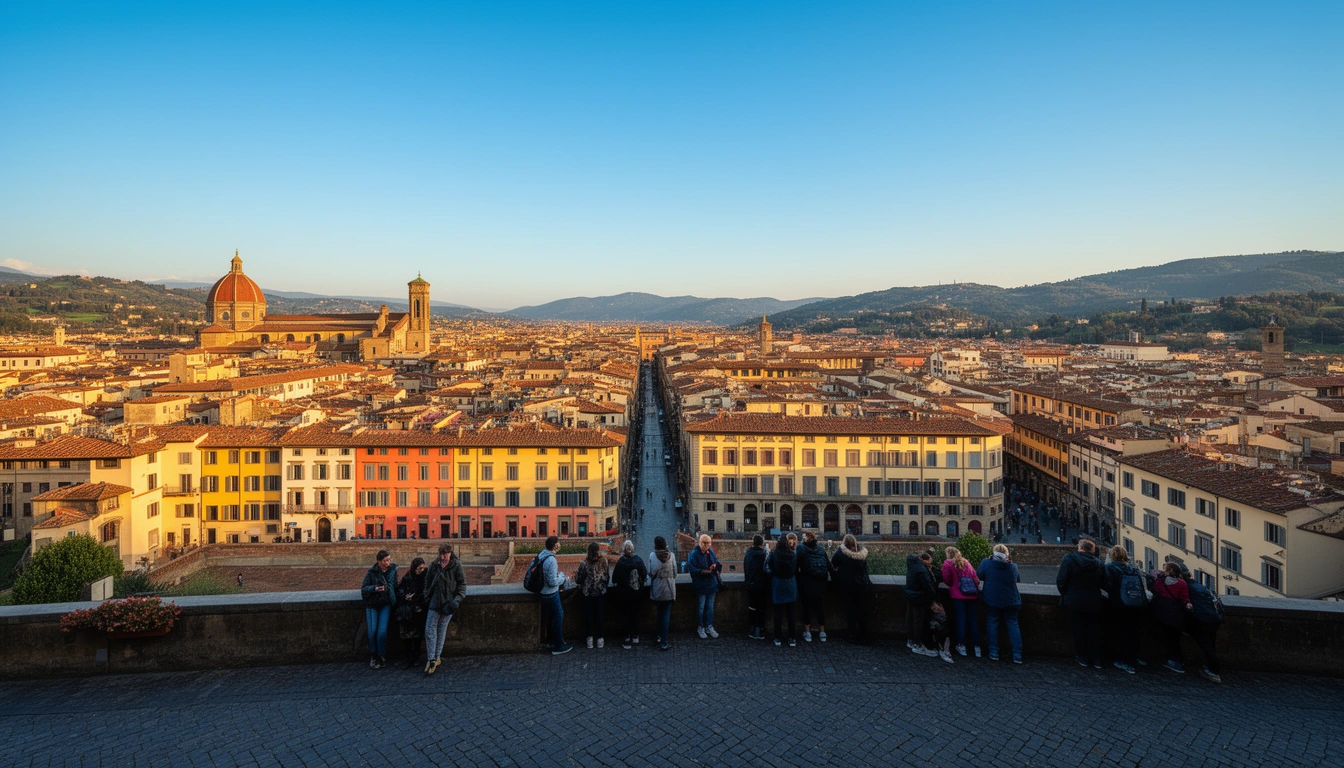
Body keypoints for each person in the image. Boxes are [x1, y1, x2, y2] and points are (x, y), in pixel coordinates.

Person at [1056, 539, 1106, 668]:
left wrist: (1066, 593)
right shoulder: (1098, 563)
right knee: (1094, 629)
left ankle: (1082, 657)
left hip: (1074, 599)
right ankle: (1097, 659)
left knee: (1077, 628)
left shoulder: (1069, 559)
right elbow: (1105, 583)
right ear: (1092, 550)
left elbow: (1061, 580)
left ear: (1079, 548)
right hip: (1093, 600)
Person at [422, 543, 467, 674]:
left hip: (449, 604)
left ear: (450, 553)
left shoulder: (456, 566)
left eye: (446, 555)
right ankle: (431, 659)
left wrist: (456, 601)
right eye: (441, 554)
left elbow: (462, 585)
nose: (443, 557)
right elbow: (427, 582)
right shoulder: (434, 566)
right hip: (434, 603)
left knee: (441, 630)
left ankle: (436, 658)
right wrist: (426, 596)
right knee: (429, 630)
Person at [1103, 546, 1147, 674]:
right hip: (1135, 605)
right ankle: (1135, 658)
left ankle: (1123, 661)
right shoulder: (1133, 568)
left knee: (1120, 633)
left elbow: (1107, 585)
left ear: (1112, 555)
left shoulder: (1110, 568)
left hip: (1118, 605)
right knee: (1134, 632)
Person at [977, 543, 1022, 663]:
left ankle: (993, 652)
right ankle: (1017, 655)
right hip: (1012, 599)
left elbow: (979, 576)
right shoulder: (1013, 566)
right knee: (1013, 625)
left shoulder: (986, 563)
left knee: (992, 623)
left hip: (992, 599)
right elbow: (1017, 579)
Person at [1150, 561, 1192, 674]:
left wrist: (1159, 577)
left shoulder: (1162, 582)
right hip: (1177, 615)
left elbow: (1155, 589)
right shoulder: (1182, 583)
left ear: (1170, 571)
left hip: (1164, 615)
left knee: (1168, 639)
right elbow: (1185, 599)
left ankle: (1172, 661)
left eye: (1166, 570)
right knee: (1175, 640)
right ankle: (1178, 661)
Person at [360, 550, 398, 669]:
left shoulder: (393, 571)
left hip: (385, 604)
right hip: (372, 605)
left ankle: (381, 655)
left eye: (389, 560)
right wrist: (375, 588)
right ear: (379, 562)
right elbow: (364, 589)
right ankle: (373, 655)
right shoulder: (371, 572)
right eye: (385, 561)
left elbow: (396, 587)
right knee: (372, 632)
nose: (388, 563)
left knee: (382, 632)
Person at [941, 546, 982, 658]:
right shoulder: (967, 563)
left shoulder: (948, 564)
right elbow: (976, 579)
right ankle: (977, 648)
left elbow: (947, 580)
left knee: (961, 620)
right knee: (973, 621)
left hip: (958, 596)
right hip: (972, 595)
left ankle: (961, 646)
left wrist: (954, 586)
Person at [831, 534, 870, 644]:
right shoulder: (862, 554)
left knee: (850, 611)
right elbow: (865, 570)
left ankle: (852, 635)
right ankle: (864, 636)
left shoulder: (841, 552)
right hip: (861, 587)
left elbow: (833, 562)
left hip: (847, 585)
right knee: (862, 612)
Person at [1184, 574, 1224, 683]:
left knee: (1207, 646)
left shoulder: (1187, 587)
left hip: (1203, 620)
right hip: (1214, 619)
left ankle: (1213, 672)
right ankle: (1212, 668)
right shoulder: (1199, 585)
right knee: (1211, 644)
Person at [538, 536, 572, 655]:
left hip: (543, 592)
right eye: (558, 543)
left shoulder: (542, 554)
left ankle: (551, 641)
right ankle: (558, 645)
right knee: (558, 616)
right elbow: (552, 581)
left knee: (551, 618)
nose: (560, 545)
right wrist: (562, 577)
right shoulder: (551, 560)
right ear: (555, 545)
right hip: (550, 593)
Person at [796, 531, 832, 642]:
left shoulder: (801, 548)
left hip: (807, 582)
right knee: (820, 607)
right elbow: (829, 565)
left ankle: (807, 632)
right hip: (821, 583)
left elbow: (796, 565)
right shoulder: (821, 549)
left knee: (806, 607)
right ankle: (822, 632)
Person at [611, 540, 648, 649]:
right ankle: (635, 636)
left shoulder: (620, 562)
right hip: (636, 592)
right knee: (636, 614)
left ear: (623, 550)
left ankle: (627, 637)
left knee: (625, 615)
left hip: (623, 593)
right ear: (633, 549)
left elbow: (614, 579)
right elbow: (644, 574)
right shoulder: (638, 561)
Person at [766, 533, 800, 647]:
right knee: (791, 614)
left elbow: (767, 568)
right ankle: (792, 638)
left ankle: (778, 638)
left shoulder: (774, 554)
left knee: (778, 613)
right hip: (790, 584)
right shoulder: (793, 554)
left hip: (778, 584)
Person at [575, 542, 611, 649]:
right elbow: (607, 577)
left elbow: (578, 579)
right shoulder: (604, 561)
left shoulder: (584, 563)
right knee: (600, 616)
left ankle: (589, 640)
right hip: (601, 593)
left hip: (588, 594)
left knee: (588, 616)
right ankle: (600, 639)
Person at [687, 534, 722, 638]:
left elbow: (716, 562)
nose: (707, 546)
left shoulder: (710, 551)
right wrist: (703, 571)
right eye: (705, 544)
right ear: (700, 543)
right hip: (701, 584)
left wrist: (714, 566)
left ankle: (709, 626)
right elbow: (692, 569)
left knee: (710, 607)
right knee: (701, 607)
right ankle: (701, 626)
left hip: (711, 583)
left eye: (708, 544)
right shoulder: (694, 554)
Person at [904, 551, 937, 657]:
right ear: (924, 560)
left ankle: (910, 640)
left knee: (910, 618)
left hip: (910, 594)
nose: (929, 564)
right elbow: (928, 585)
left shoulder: (912, 564)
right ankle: (918, 644)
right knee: (918, 620)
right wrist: (933, 598)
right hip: (919, 596)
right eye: (929, 562)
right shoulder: (922, 569)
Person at [397, 557, 428, 669]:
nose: (421, 570)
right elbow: (400, 590)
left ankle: (416, 657)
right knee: (406, 636)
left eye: (423, 568)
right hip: (407, 611)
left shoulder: (426, 576)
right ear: (414, 569)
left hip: (418, 610)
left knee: (417, 637)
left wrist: (415, 598)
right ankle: (409, 657)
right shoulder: (408, 577)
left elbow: (426, 593)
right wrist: (406, 596)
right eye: (419, 569)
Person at [648, 536, 677, 650]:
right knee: (666, 615)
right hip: (669, 588)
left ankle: (659, 636)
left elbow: (650, 572)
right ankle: (664, 642)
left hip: (657, 589)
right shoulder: (672, 556)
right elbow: (675, 572)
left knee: (660, 613)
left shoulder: (652, 556)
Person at [743, 535, 770, 640]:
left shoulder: (748, 553)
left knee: (752, 608)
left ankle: (753, 629)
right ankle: (761, 630)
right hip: (762, 585)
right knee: (762, 608)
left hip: (751, 584)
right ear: (762, 543)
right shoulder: (765, 554)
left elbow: (746, 568)